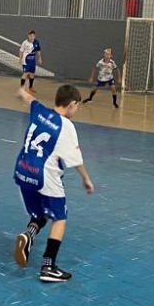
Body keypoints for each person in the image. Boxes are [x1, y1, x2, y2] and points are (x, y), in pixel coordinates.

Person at [12, 84, 94, 283]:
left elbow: (27, 97)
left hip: (23, 171)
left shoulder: (39, 110)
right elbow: (76, 161)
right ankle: (48, 266)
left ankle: (28, 235)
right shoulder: (66, 126)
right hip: (45, 176)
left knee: (40, 213)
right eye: (77, 106)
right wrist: (86, 179)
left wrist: (22, 90)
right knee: (59, 217)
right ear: (72, 104)